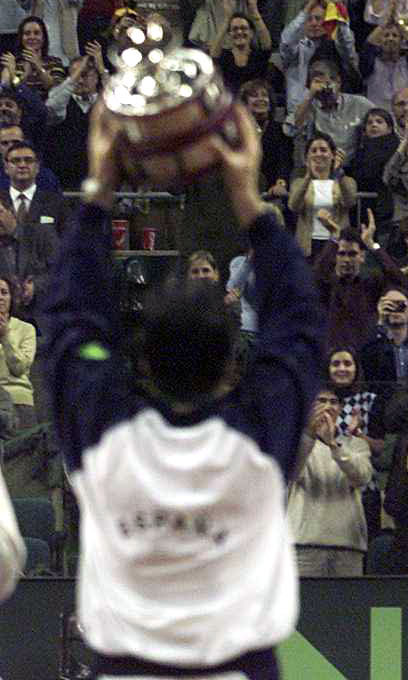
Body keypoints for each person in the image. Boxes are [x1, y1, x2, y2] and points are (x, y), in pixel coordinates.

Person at [38, 105, 324, 678]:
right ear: (229, 364)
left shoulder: (106, 434)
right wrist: (249, 199)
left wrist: (100, 187)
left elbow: (70, 318)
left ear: (141, 359)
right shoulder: (256, 435)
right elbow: (296, 322)